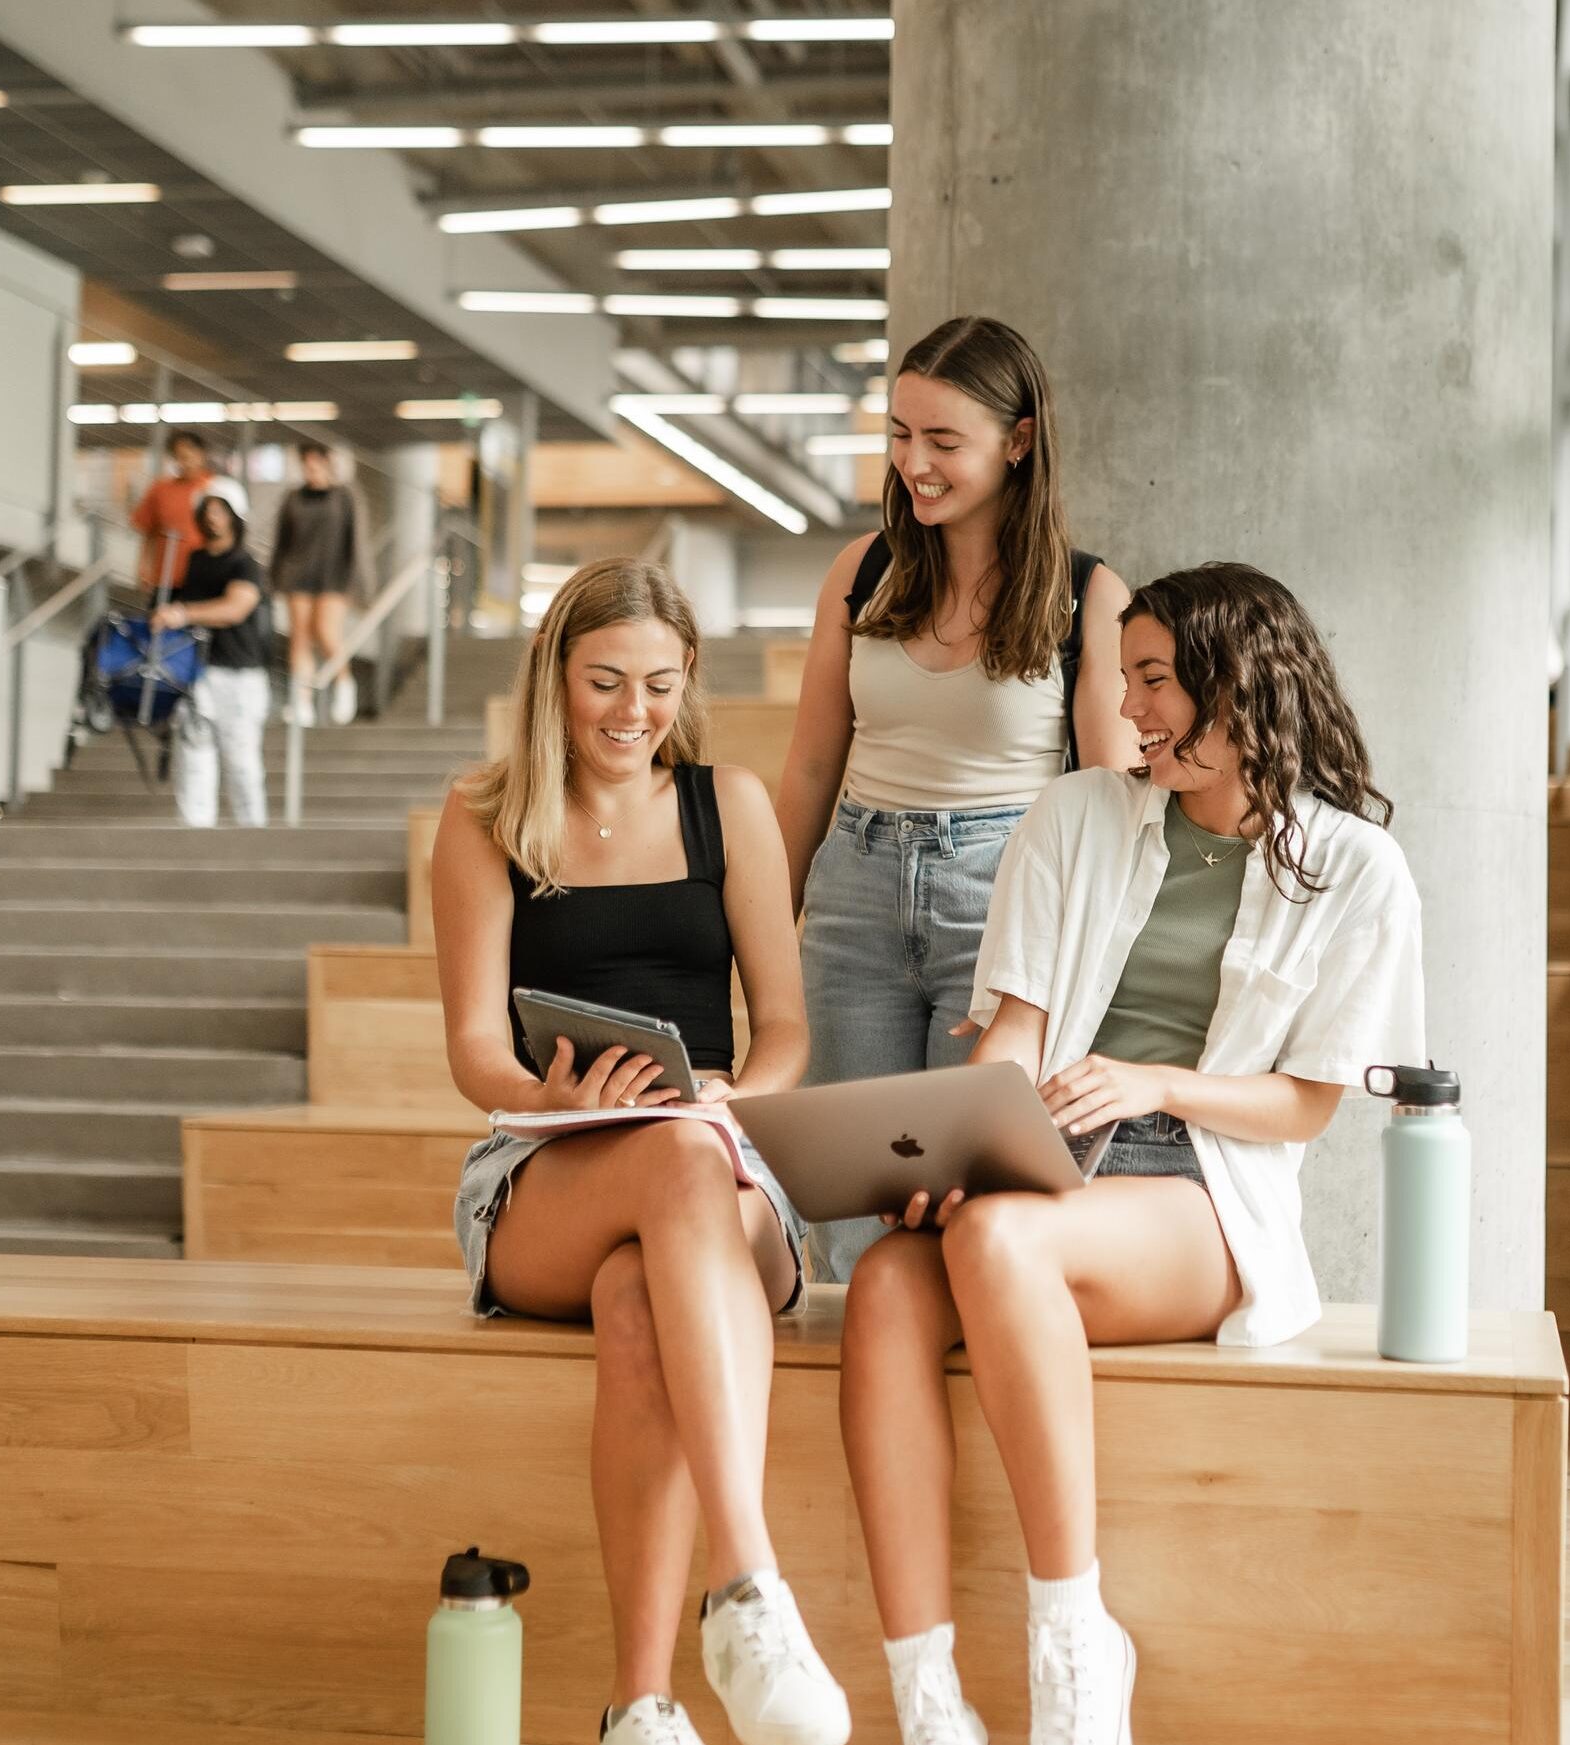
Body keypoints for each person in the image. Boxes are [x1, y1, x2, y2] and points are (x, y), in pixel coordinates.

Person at [837, 563, 1427, 1743]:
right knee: (887, 1285)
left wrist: (1152, 1081)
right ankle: (925, 1692)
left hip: (1205, 1192)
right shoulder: (1076, 816)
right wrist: (958, 1145)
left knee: (999, 1237)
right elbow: (1014, 1031)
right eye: (1126, 679)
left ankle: (1073, 1634)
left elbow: (1306, 1103)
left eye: (1156, 680)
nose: (1134, 709)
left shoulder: (1359, 866)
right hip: (1048, 1165)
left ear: (1241, 679)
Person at [433, 558, 851, 1745]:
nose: (632, 711)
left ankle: (641, 1705)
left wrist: (727, 1093)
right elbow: (473, 1047)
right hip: (546, 1169)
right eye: (605, 681)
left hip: (721, 1162)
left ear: (690, 682)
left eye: (660, 684)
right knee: (667, 1166)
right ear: (552, 678)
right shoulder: (483, 817)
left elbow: (787, 1031)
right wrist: (546, 1097)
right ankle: (749, 1585)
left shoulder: (734, 805)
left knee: (640, 1294)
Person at [775, 315, 1141, 1283]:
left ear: (1019, 441)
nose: (914, 464)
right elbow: (812, 767)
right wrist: (765, 925)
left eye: (944, 441)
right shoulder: (860, 575)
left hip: (998, 897)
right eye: (900, 434)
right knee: (849, 1202)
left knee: (955, 1194)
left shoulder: (1086, 595)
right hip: (853, 888)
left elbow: (1107, 811)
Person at [150, 494, 274, 827]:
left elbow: (235, 608)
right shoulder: (195, 560)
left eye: (220, 511)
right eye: (207, 512)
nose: (213, 519)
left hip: (239, 675)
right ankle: (195, 833)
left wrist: (185, 613)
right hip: (197, 672)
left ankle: (252, 833)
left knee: (241, 761)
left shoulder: (245, 563)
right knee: (194, 757)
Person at [270, 440, 370, 726]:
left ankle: (343, 683)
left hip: (333, 575)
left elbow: (356, 541)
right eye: (307, 465)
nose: (311, 470)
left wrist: (360, 583)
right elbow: (282, 540)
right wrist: (275, 577)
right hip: (297, 572)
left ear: (327, 464)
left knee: (326, 631)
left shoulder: (344, 496)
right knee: (299, 636)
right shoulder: (294, 497)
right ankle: (301, 701)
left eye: (316, 464)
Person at [131, 429, 247, 594]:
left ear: (202, 454)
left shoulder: (218, 488)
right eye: (179, 457)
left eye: (189, 456)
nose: (185, 463)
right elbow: (149, 532)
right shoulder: (161, 490)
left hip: (206, 574)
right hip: (168, 576)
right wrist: (144, 568)